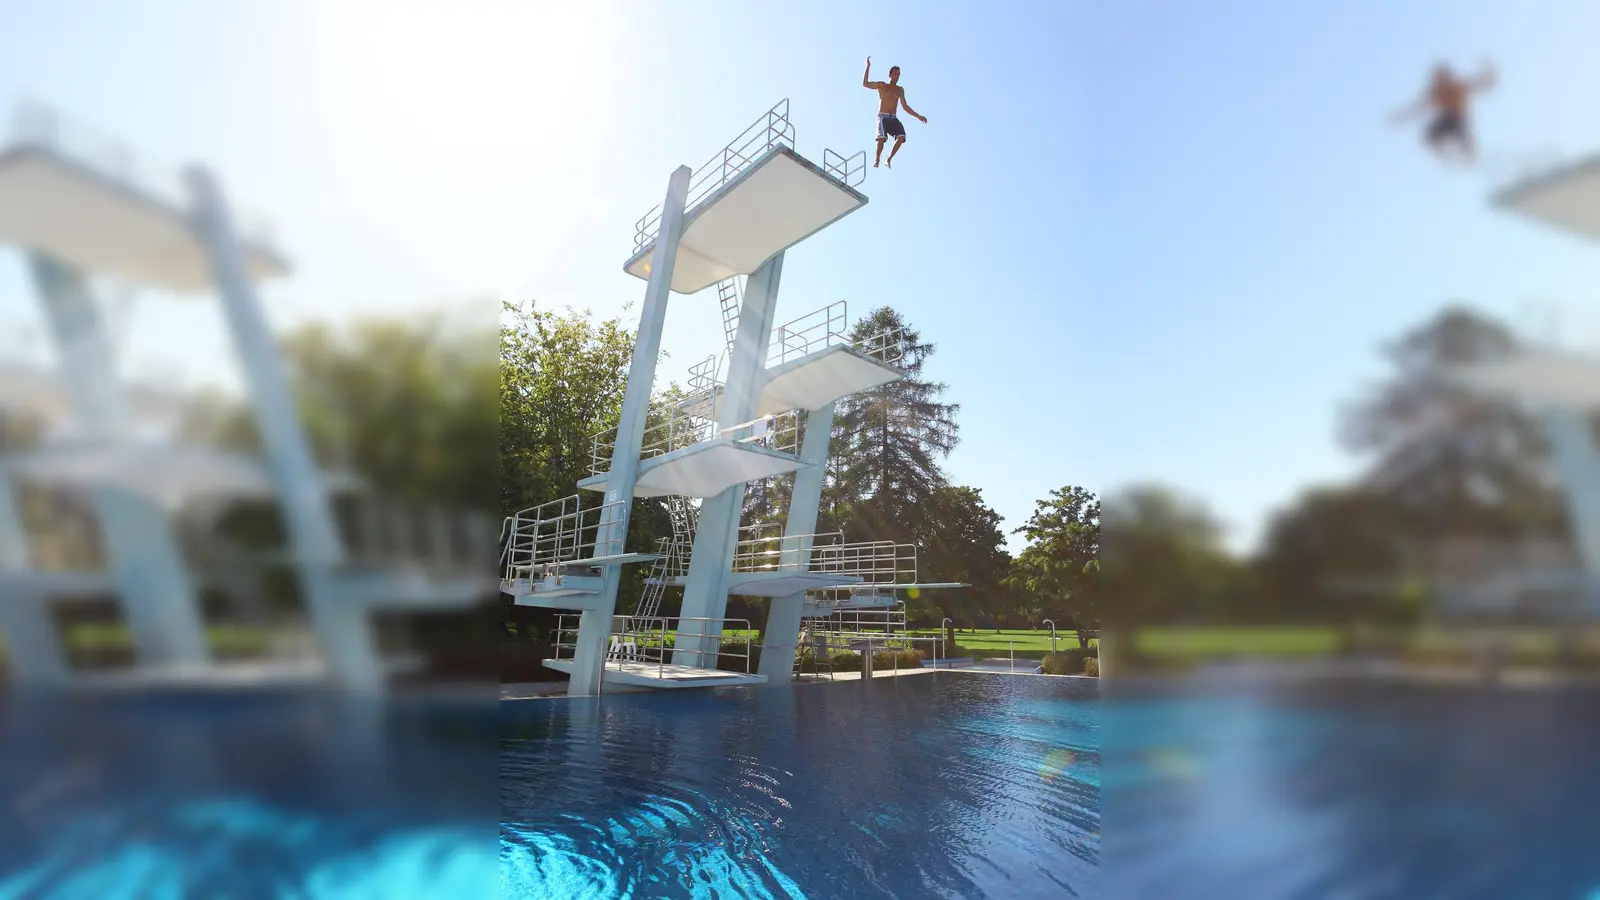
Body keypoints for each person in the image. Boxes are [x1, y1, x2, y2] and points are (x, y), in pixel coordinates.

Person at [1391, 60, 1496, 164]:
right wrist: (1402, 116)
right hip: (1447, 119)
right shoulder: (1437, 92)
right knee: (1430, 134)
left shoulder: (1457, 86)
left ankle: (1468, 151)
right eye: (1439, 80)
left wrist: (1488, 74)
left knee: (1460, 134)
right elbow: (1419, 107)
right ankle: (1454, 151)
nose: (1441, 83)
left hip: (1458, 119)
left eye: (1442, 79)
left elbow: (1478, 83)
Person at [862, 57, 928, 168]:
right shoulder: (883, 86)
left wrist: (918, 116)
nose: (897, 77)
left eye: (898, 75)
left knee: (901, 136)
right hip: (883, 117)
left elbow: (905, 107)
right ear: (890, 75)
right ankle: (877, 159)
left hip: (893, 118)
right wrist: (868, 67)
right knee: (881, 139)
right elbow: (865, 83)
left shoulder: (900, 90)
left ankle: (888, 158)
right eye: (895, 74)